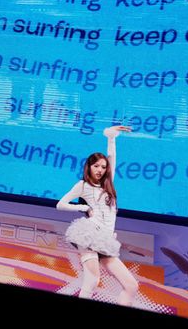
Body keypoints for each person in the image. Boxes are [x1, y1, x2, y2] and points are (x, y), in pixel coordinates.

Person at [56, 125, 139, 306]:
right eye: (96, 166)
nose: (100, 170)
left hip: (105, 239)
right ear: (89, 167)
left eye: (103, 167)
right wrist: (84, 207)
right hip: (89, 233)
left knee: (131, 286)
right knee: (92, 280)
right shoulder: (82, 185)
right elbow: (60, 204)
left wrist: (111, 137)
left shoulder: (108, 184)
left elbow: (112, 158)